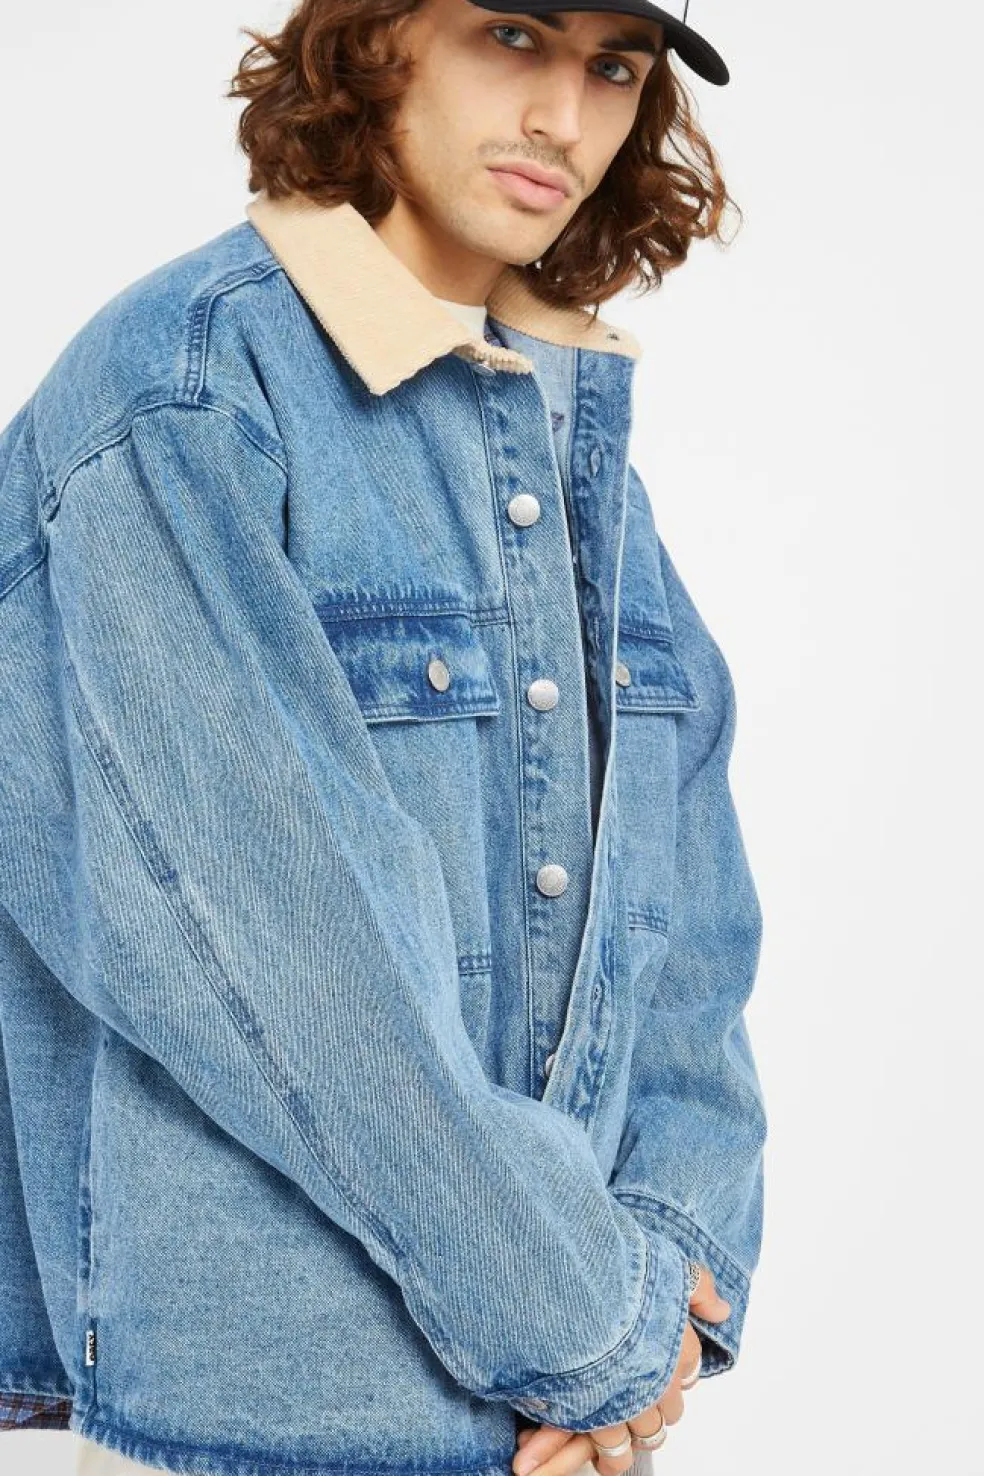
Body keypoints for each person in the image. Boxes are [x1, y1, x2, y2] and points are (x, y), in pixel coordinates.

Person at [0, 4, 767, 1476]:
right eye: (514, 33)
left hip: (565, 1412)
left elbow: (690, 938)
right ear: (376, 36)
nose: (565, 118)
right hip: (284, 1413)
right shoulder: (185, 385)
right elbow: (270, 953)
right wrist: (590, 1329)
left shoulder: (573, 439)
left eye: (614, 67)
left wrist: (667, 1281)